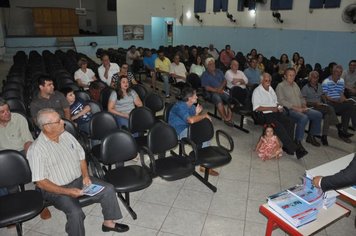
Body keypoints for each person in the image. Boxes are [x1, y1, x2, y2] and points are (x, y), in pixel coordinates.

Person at [27, 108, 129, 235]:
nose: (63, 123)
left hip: (79, 179)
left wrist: (86, 176)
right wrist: (67, 191)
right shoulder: (36, 150)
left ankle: (108, 223)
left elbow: (81, 157)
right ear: (47, 127)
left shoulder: (66, 135)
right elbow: (41, 182)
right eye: (58, 121)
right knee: (76, 213)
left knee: (108, 189)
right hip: (56, 189)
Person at [168, 87, 218, 176]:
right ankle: (200, 160)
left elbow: (193, 120)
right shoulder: (180, 106)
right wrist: (203, 116)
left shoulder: (192, 106)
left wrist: (197, 113)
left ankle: (203, 164)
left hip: (188, 128)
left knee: (205, 136)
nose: (197, 97)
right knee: (201, 137)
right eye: (195, 96)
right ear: (189, 98)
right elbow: (191, 120)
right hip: (176, 132)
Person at [252, 73, 301, 158]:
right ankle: (295, 149)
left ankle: (287, 146)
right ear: (261, 81)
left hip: (274, 111)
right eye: (266, 80)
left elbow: (276, 101)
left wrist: (279, 107)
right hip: (264, 114)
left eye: (269, 80)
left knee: (290, 122)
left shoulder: (271, 89)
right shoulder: (257, 91)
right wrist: (271, 108)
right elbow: (256, 108)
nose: (268, 82)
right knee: (279, 127)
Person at [276, 68, 323, 152]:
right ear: (285, 76)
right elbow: (281, 101)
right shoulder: (280, 86)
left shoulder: (295, 85)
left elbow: (301, 97)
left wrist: (304, 105)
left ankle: (311, 136)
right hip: (289, 110)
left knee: (317, 114)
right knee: (303, 118)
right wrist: (297, 108)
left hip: (300, 108)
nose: (292, 77)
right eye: (290, 75)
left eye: (294, 75)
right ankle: (298, 141)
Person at [301, 71, 340, 146]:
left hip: (320, 106)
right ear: (310, 78)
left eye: (317, 77)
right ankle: (338, 126)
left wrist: (325, 101)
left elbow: (322, 95)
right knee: (329, 109)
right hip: (311, 107)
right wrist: (314, 104)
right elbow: (303, 101)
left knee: (327, 115)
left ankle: (323, 136)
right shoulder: (305, 88)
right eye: (313, 77)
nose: (315, 79)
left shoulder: (320, 86)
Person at [322, 64, 356, 143]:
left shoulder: (341, 81)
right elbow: (326, 97)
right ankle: (341, 130)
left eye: (340, 72)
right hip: (329, 103)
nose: (339, 73)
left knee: (350, 105)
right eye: (337, 71)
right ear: (333, 72)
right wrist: (336, 100)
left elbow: (341, 94)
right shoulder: (326, 81)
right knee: (330, 111)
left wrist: (345, 100)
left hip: (338, 103)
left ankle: (343, 131)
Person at [201, 57, 233, 125]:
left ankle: (229, 116)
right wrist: (216, 90)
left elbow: (224, 81)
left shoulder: (219, 71)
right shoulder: (204, 75)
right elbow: (206, 87)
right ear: (207, 66)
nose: (213, 65)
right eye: (210, 64)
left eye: (213, 64)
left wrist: (220, 88)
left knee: (231, 98)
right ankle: (225, 118)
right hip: (212, 92)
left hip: (222, 90)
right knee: (217, 98)